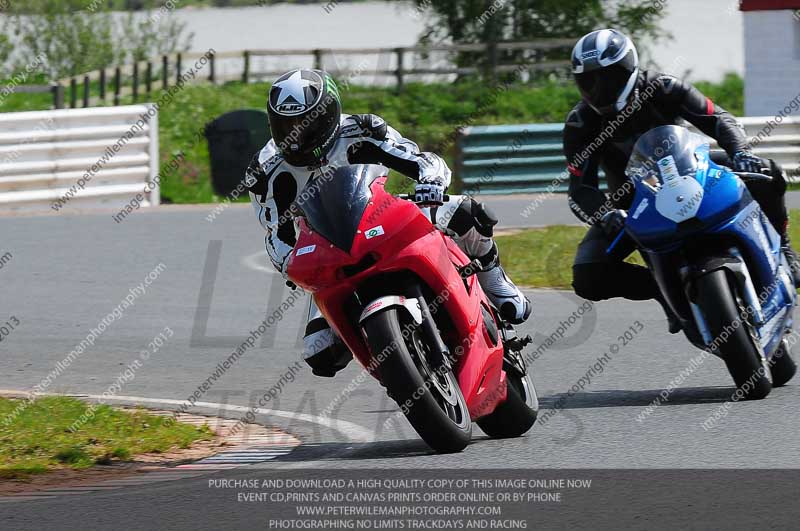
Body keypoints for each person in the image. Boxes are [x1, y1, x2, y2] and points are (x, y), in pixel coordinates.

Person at [246, 69, 531, 376]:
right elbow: (276, 233)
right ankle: (399, 366)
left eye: (305, 124)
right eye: (285, 124)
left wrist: (430, 181)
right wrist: (292, 263)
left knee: (467, 212)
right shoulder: (264, 171)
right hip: (329, 249)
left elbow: (420, 159)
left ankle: (494, 280)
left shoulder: (362, 130)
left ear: (328, 116)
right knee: (320, 353)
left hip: (382, 215)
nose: (295, 134)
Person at [563, 28, 800, 332]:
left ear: (630, 68)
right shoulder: (580, 123)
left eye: (607, 78)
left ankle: (785, 249)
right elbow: (580, 189)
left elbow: (718, 118)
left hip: (694, 170)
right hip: (632, 204)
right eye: (589, 81)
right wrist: (605, 213)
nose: (599, 89)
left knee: (767, 173)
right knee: (587, 276)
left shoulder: (663, 87)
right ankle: (665, 291)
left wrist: (740, 152)